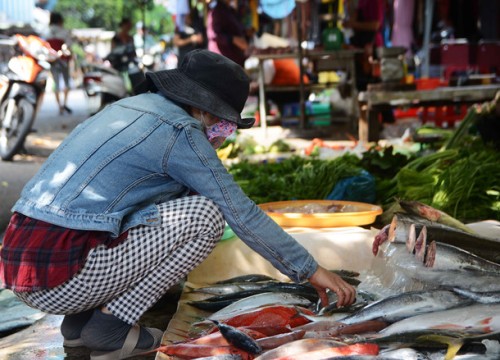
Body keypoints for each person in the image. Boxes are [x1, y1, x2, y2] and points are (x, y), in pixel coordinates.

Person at [0, 50, 356, 359]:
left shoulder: (128, 108)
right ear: (204, 109)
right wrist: (310, 270)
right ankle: (110, 330)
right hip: (60, 277)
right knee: (206, 216)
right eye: (222, 122)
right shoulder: (182, 131)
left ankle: (78, 326)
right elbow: (239, 211)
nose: (220, 130)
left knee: (142, 212)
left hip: (22, 263)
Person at [206, 0, 251, 67]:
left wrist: (246, 32)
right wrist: (233, 39)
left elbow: (237, 28)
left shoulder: (230, 10)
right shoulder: (217, 11)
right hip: (222, 59)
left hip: (235, 59)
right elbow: (214, 35)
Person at [46, 12, 73, 115]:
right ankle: (64, 103)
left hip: (52, 60)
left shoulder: (46, 32)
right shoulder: (64, 32)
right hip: (63, 60)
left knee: (56, 83)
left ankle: (60, 106)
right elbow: (68, 45)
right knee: (66, 82)